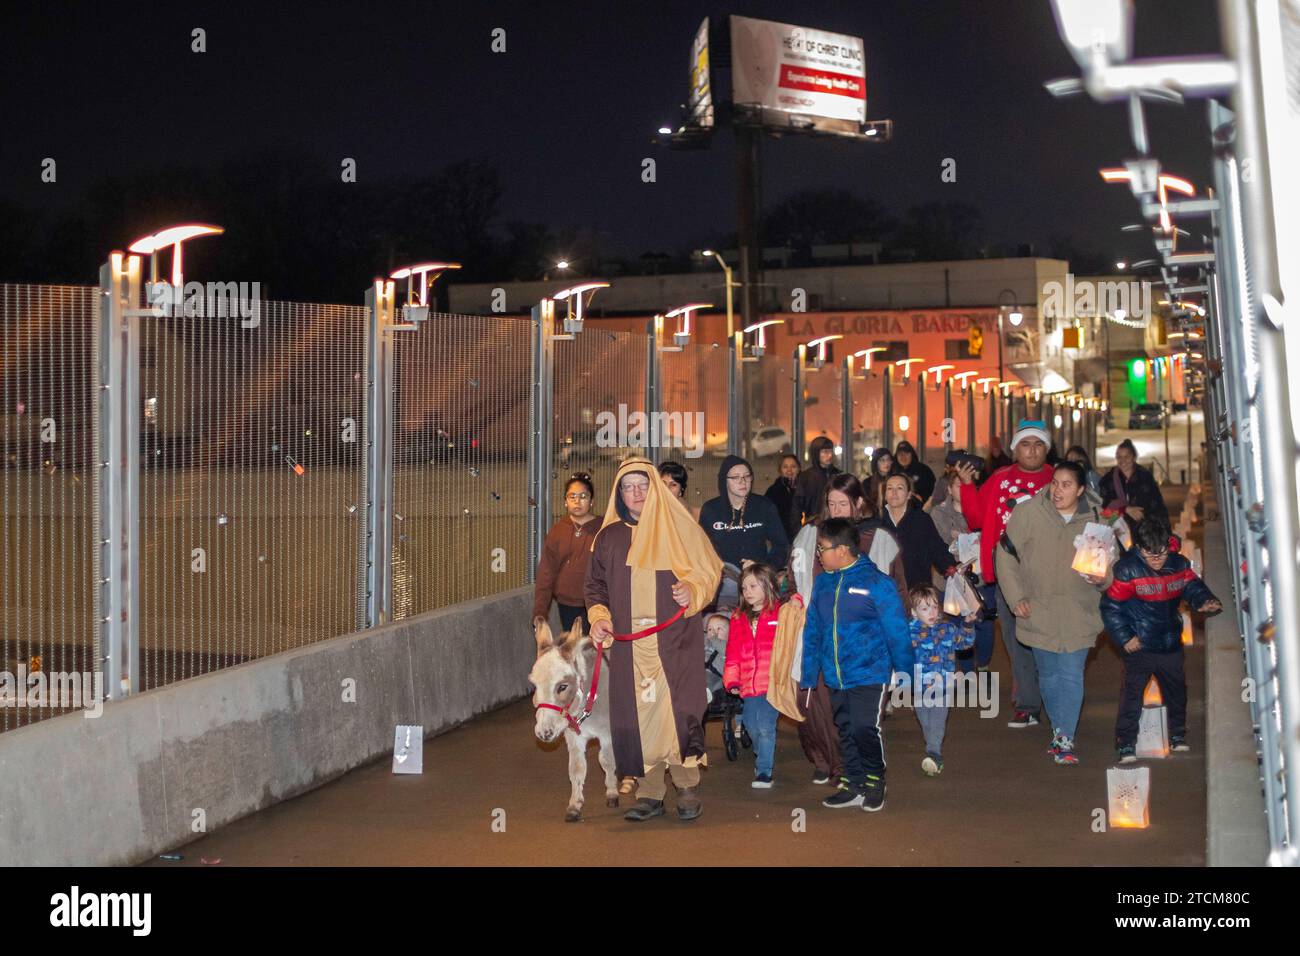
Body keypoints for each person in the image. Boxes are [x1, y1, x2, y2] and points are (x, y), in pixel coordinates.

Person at [585, 458, 723, 822]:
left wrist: (692, 589)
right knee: (638, 716)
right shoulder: (608, 538)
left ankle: (687, 787)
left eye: (643, 485)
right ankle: (650, 794)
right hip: (630, 648)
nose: (636, 493)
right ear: (619, 494)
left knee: (677, 714)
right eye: (628, 487)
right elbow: (595, 588)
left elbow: (709, 569)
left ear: (656, 488)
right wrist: (599, 618)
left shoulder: (679, 529)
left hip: (674, 642)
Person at [787, 473, 908, 786]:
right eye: (831, 503)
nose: (837, 509)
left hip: (867, 651)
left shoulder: (878, 541)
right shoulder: (811, 538)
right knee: (820, 708)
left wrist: (903, 661)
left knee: (861, 721)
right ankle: (835, 764)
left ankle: (865, 776)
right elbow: (795, 580)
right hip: (824, 644)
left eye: (844, 503)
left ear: (858, 503)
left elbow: (898, 599)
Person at [994, 461, 1111, 765]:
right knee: (1048, 675)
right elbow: (1004, 555)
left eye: (1067, 485)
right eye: (1055, 483)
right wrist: (1015, 597)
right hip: (1038, 610)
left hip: (1079, 612)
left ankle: (1065, 738)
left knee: (1071, 674)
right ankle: (1060, 733)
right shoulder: (1029, 513)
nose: (1058, 490)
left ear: (1081, 489)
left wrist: (1103, 578)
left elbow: (1108, 569)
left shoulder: (1095, 520)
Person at [800, 518, 912, 812]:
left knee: (865, 727)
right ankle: (853, 782)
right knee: (845, 729)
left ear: (843, 551)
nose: (818, 555)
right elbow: (813, 630)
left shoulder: (877, 583)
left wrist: (905, 672)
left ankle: (875, 781)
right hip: (835, 674)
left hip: (870, 672)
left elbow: (897, 630)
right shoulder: (823, 583)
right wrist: (809, 674)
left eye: (822, 549)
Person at [955, 419, 1056, 728]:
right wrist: (967, 485)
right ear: (1015, 450)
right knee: (1016, 641)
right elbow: (975, 520)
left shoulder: (1057, 479)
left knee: (1049, 640)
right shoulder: (1000, 479)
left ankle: (1053, 701)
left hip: (1050, 575)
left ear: (1047, 450)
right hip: (1008, 574)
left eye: (1039, 444)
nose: (1032, 450)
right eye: (1026, 444)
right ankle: (1027, 704)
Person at [1101, 518, 1222, 762]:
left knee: (1177, 692)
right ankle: (1126, 743)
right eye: (1150, 554)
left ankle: (1177, 735)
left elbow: (1192, 586)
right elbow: (1111, 607)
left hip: (1170, 642)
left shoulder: (1178, 565)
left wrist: (1204, 600)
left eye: (1162, 554)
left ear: (1170, 547)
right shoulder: (1127, 570)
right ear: (1139, 548)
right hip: (1139, 645)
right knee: (1132, 695)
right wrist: (1125, 637)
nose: (1157, 560)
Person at [723, 563, 783, 788]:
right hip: (748, 684)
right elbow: (732, 652)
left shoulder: (780, 613)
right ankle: (762, 752)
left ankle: (764, 771)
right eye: (744, 587)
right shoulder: (738, 618)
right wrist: (732, 679)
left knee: (766, 727)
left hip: (773, 683)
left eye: (752, 586)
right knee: (750, 724)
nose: (747, 591)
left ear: (767, 586)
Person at [906, 584, 976, 776]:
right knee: (926, 723)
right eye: (925, 608)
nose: (931, 612)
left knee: (937, 721)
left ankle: (933, 753)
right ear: (914, 612)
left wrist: (968, 625)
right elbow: (900, 657)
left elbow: (965, 643)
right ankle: (933, 754)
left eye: (934, 606)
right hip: (919, 689)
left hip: (943, 686)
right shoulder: (908, 633)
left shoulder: (947, 628)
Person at [929, 470, 995, 672]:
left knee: (984, 624)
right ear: (949, 489)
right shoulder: (938, 513)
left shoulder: (981, 508)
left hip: (980, 577)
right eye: (958, 485)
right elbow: (940, 543)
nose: (964, 489)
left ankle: (983, 664)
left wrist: (963, 537)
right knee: (957, 623)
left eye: (968, 485)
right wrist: (961, 539)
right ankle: (966, 671)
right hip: (950, 579)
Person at [699, 455, 790, 573]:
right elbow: (700, 549)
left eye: (747, 476)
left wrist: (764, 567)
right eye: (736, 477)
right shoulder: (710, 509)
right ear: (724, 481)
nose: (743, 482)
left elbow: (781, 545)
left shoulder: (764, 506)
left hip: (756, 578)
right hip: (722, 579)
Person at [532, 473, 599, 631]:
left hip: (597, 604)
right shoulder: (557, 531)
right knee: (573, 651)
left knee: (594, 651)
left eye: (583, 496)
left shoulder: (603, 529)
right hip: (566, 605)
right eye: (572, 496)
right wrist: (540, 611)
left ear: (592, 501)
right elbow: (546, 573)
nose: (577, 501)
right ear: (565, 502)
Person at [880, 473, 958, 590]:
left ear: (909, 494)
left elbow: (936, 549)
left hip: (917, 591)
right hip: (885, 591)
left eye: (900, 488)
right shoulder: (877, 522)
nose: (894, 492)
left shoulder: (921, 520)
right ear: (885, 495)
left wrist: (952, 567)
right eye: (890, 488)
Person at [1101, 438, 1168, 536]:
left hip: (1144, 530)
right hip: (1118, 532)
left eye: (1126, 457)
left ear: (1134, 457)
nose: (1123, 461)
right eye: (1119, 457)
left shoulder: (1145, 477)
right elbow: (1103, 505)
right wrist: (1126, 509)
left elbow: (1157, 504)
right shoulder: (1108, 480)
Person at [791, 436, 840, 529]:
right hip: (813, 525)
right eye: (825, 452)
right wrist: (797, 530)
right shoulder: (806, 477)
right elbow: (797, 507)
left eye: (830, 451)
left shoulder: (838, 475)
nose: (829, 455)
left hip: (836, 526)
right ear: (816, 453)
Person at [765, 454, 801, 542]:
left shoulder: (805, 489)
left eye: (793, 466)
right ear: (780, 470)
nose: (789, 470)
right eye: (785, 467)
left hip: (802, 536)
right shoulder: (773, 491)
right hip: (781, 539)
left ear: (799, 469)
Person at [894, 440, 936, 507]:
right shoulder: (892, 472)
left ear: (912, 454)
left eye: (906, 453)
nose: (903, 456)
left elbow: (933, 491)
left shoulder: (924, 471)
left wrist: (921, 498)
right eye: (900, 454)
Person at [864, 447, 898, 516]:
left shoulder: (897, 480)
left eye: (888, 459)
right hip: (873, 518)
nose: (886, 463)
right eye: (882, 460)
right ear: (876, 462)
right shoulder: (867, 483)